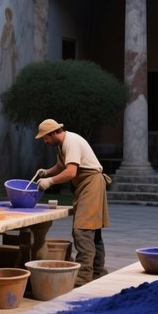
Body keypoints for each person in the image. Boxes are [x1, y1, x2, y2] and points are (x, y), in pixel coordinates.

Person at [35, 119, 111, 286]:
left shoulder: (72, 142)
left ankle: (84, 276)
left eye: (45, 138)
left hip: (92, 183)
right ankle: (98, 272)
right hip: (86, 185)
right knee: (93, 230)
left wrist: (50, 181)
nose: (45, 141)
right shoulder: (63, 144)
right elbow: (62, 166)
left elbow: (70, 172)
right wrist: (47, 172)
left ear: (53, 133)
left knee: (82, 230)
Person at [0, 7, 18, 89]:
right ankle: (4, 87)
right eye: (5, 14)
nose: (6, 15)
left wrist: (15, 51)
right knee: (3, 70)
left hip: (9, 51)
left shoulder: (12, 27)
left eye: (7, 14)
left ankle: (9, 86)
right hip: (4, 49)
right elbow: (2, 38)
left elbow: (13, 40)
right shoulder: (4, 26)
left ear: (10, 15)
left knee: (9, 70)